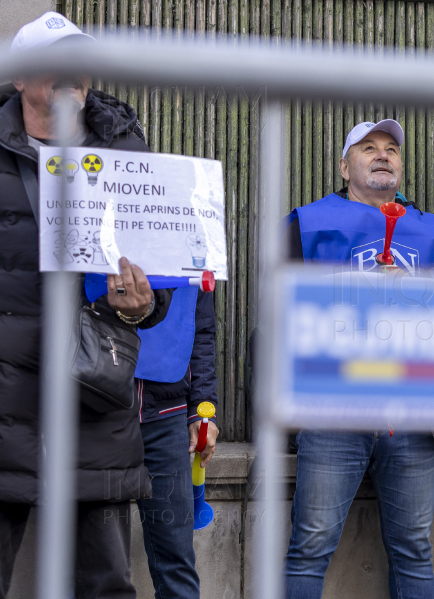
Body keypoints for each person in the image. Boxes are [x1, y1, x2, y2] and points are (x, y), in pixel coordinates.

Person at [0, 13, 173, 599]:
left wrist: (138, 308)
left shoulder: (128, 157)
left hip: (92, 400)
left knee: (105, 585)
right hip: (3, 398)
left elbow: (157, 293)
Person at [281, 119, 434, 598]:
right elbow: (280, 315)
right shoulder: (307, 222)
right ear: (345, 166)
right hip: (331, 415)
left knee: (415, 548)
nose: (383, 155)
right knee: (311, 544)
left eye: (391, 150)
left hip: (410, 418)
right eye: (368, 148)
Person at [135, 286, 218, 598]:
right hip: (99, 405)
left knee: (176, 562)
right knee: (94, 561)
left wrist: (203, 409)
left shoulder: (194, 239)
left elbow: (203, 329)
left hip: (167, 412)